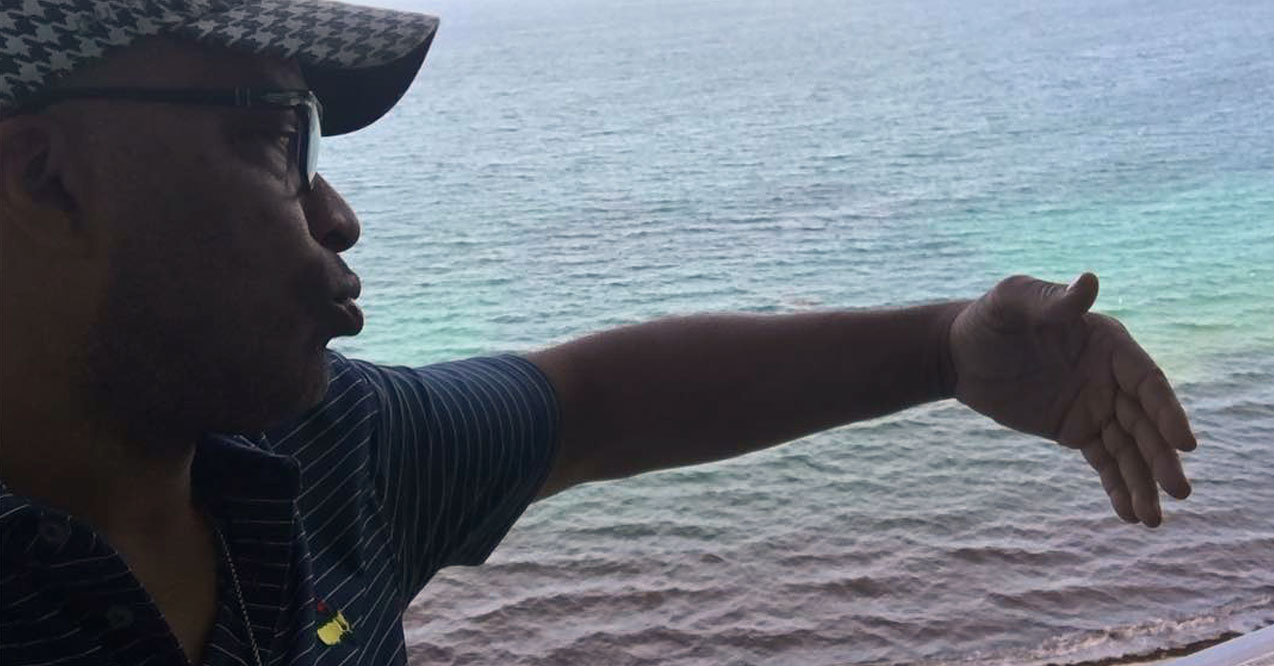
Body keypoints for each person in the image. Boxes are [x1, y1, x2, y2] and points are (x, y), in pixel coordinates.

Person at [0, 1, 1198, 664]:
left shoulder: (312, 459)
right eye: (275, 135)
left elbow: (590, 404)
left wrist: (941, 349)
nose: (338, 216)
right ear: (41, 175)